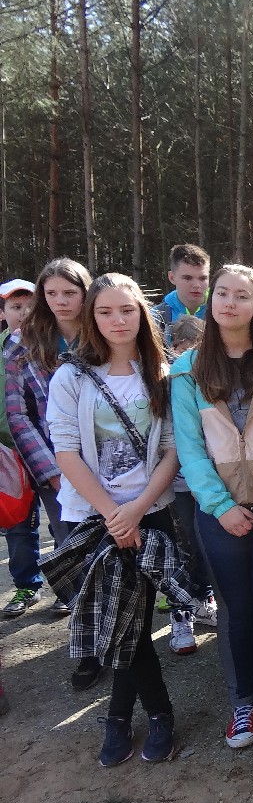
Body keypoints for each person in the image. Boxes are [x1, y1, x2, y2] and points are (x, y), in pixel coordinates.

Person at [44, 273, 188, 767]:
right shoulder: (70, 377)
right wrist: (113, 515)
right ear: (91, 317)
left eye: (126, 309)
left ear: (142, 314)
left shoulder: (161, 375)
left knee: (135, 619)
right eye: (105, 312)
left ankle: (121, 719)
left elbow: (171, 449)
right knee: (120, 620)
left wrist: (137, 509)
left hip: (150, 513)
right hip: (93, 519)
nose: (117, 320)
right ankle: (153, 715)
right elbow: (65, 451)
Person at [171, 264, 253, 751]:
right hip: (218, 512)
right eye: (221, 293)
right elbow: (189, 448)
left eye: (241, 296)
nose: (229, 302)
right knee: (234, 607)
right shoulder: (187, 370)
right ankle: (241, 702)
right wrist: (220, 506)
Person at [4, 259, 101, 687]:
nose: (61, 301)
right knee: (72, 551)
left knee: (116, 547)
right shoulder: (23, 343)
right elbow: (18, 415)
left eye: (70, 292)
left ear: (85, 293)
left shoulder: (103, 330)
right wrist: (55, 472)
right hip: (55, 471)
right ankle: (88, 645)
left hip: (110, 460)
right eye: (52, 293)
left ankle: (125, 635)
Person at [0, 278, 45, 619]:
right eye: (16, 307)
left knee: (64, 521)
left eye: (31, 306)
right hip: (9, 453)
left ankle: (70, 589)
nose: (24, 313)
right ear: (3, 313)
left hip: (49, 450)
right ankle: (27, 585)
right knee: (18, 524)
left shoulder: (50, 345)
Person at [152, 244, 210, 346]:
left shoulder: (223, 312)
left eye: (203, 278)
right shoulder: (155, 318)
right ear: (172, 278)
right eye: (188, 278)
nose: (197, 285)